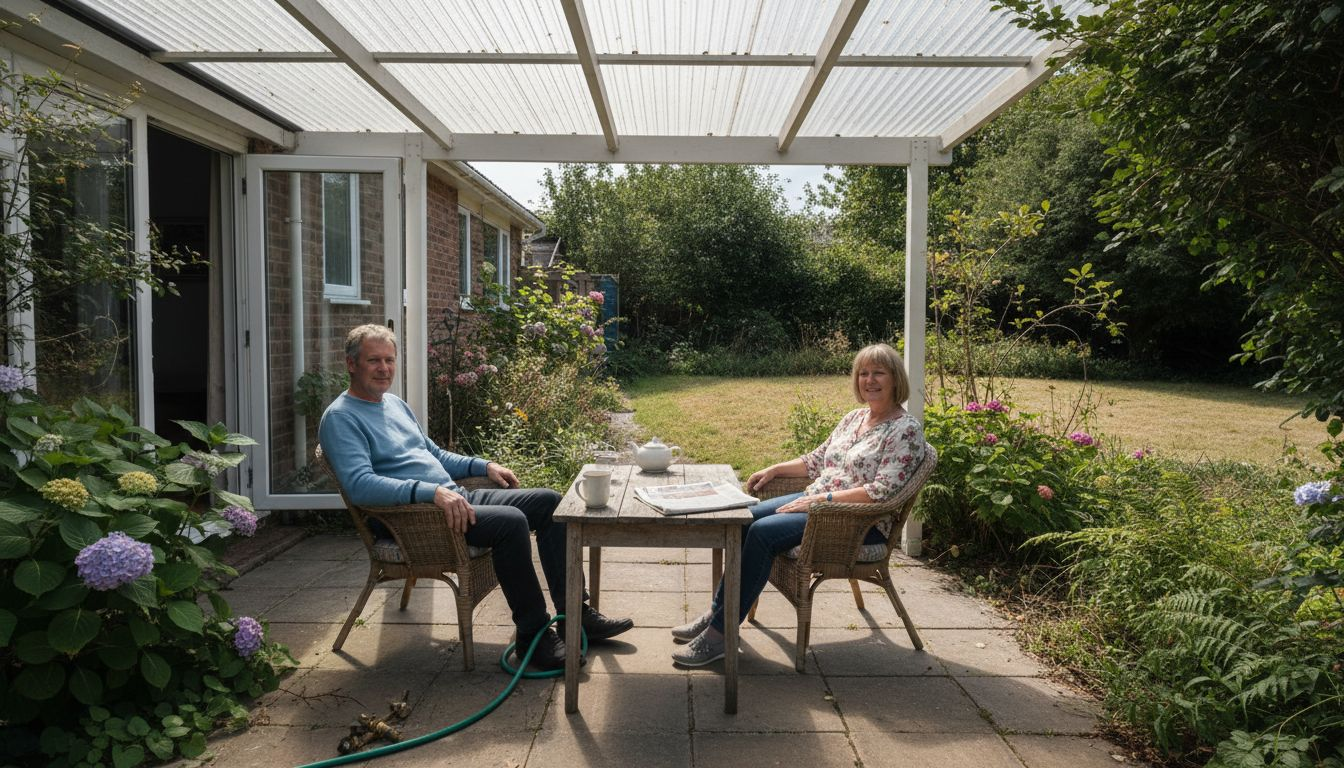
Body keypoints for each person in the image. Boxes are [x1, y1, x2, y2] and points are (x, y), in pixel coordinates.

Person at [319, 324, 633, 671]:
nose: (384, 369)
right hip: (415, 520)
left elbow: (435, 455)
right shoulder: (340, 418)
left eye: (389, 360)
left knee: (549, 503)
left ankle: (576, 614)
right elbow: (360, 485)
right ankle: (533, 635)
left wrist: (484, 464)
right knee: (511, 523)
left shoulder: (393, 404)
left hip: (455, 499)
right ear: (351, 364)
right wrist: (431, 492)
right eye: (373, 360)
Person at [670, 342, 928, 666]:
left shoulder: (905, 430)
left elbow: (882, 491)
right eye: (863, 373)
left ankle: (719, 635)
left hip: (857, 523)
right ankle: (717, 612)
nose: (869, 380)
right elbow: (816, 461)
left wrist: (821, 500)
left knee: (762, 534)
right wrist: (776, 469)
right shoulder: (855, 418)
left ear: (895, 379)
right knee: (742, 519)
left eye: (879, 372)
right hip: (818, 502)